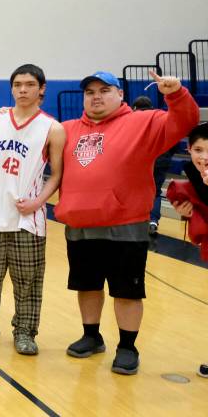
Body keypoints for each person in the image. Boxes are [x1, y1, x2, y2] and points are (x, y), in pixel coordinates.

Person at [56, 70, 197, 375]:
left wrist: (176, 94)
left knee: (127, 291)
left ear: (120, 94)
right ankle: (91, 336)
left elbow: (186, 121)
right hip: (79, 223)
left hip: (126, 223)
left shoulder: (144, 122)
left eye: (104, 90)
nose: (96, 97)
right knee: (87, 285)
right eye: (90, 92)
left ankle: (127, 346)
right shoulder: (66, 130)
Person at [0, 64, 65, 355]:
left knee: (28, 280)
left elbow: (56, 175)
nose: (23, 90)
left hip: (27, 217)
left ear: (41, 88)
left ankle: (25, 332)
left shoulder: (52, 128)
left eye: (29, 85)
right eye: (17, 85)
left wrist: (39, 202)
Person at [164, 124, 208, 378]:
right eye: (198, 150)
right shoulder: (193, 174)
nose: (204, 157)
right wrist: (187, 214)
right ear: (189, 149)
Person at [133, 96, 180, 235]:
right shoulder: (162, 117)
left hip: (140, 161)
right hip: (161, 160)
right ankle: (153, 222)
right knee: (156, 192)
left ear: (135, 108)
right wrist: (167, 155)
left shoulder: (131, 119)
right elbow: (175, 139)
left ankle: (137, 220)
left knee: (136, 191)